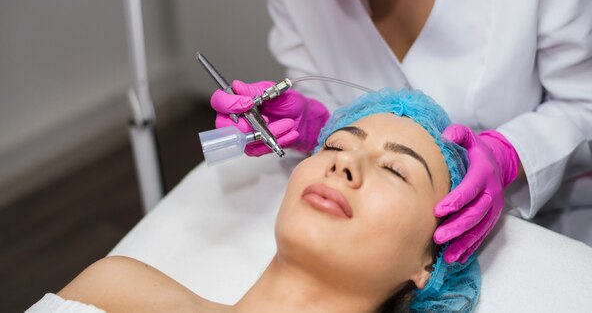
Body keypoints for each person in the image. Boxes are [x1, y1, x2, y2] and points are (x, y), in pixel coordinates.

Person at [211, 0, 592, 262]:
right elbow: (319, 81)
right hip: (393, 234)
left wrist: (510, 157)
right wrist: (314, 124)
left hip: (577, 204)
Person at [28, 89, 481, 313]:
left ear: (431, 263)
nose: (345, 166)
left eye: (395, 170)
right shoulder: (116, 291)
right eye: (335, 146)